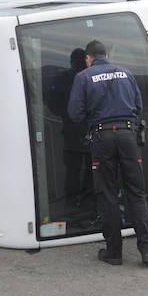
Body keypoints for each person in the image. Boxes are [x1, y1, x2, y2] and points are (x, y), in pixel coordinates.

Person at [67, 40, 148, 265]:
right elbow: (138, 106)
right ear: (106, 55)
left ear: (88, 58)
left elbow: (75, 114)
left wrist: (95, 118)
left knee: (107, 193)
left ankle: (114, 252)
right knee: (136, 193)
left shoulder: (83, 77)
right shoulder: (126, 73)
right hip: (128, 136)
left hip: (102, 138)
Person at [46, 48, 93, 208]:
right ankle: (88, 203)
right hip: (90, 130)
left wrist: (64, 114)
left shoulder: (62, 78)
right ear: (86, 60)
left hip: (70, 130)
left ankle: (71, 204)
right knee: (91, 170)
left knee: (72, 170)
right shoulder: (90, 77)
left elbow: (52, 103)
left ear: (71, 61)